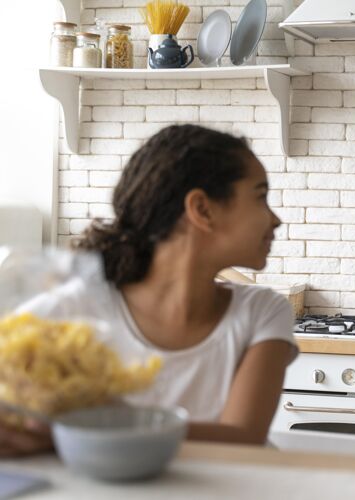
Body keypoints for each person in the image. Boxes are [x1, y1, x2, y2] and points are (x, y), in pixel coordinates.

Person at [0, 124, 296, 456]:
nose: (275, 219)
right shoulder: (76, 308)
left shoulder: (263, 312)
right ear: (202, 209)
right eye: (261, 196)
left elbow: (242, 436)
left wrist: (77, 432)